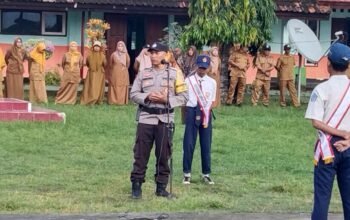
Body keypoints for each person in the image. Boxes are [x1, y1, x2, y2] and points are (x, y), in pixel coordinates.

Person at [129, 42, 188, 199]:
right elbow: (133, 93)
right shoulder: (143, 73)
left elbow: (184, 97)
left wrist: (166, 99)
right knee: (140, 154)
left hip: (165, 119)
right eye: (151, 53)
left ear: (165, 54)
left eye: (157, 53)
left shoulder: (175, 74)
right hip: (146, 118)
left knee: (163, 154)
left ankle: (161, 188)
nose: (153, 56)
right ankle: (136, 186)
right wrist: (147, 96)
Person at [305, 42, 350, 220]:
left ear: (328, 63)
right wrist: (347, 136)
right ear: (348, 66)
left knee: (322, 198)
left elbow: (316, 122)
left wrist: (340, 133)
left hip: (327, 147)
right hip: (348, 144)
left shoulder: (321, 89)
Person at [182, 54, 216, 185]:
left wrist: (206, 111)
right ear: (196, 66)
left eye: (205, 68)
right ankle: (187, 173)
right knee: (189, 143)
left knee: (206, 144)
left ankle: (206, 173)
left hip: (206, 113)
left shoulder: (212, 82)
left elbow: (212, 100)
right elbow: (184, 99)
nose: (202, 70)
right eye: (200, 67)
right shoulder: (188, 81)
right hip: (191, 111)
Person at [80, 41, 107, 105]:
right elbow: (87, 63)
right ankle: (90, 99)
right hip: (91, 73)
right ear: (93, 47)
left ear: (100, 48)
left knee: (98, 86)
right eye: (95, 46)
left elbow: (105, 64)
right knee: (91, 86)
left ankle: (98, 99)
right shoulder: (89, 55)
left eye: (98, 47)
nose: (97, 48)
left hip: (100, 73)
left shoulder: (102, 55)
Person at [107, 41, 130, 105]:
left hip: (123, 73)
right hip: (115, 73)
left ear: (123, 47)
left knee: (122, 85)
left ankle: (121, 101)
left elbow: (128, 64)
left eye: (121, 46)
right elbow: (111, 64)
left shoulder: (126, 55)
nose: (120, 47)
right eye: (119, 46)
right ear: (117, 47)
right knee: (114, 84)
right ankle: (113, 101)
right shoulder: (113, 54)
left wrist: (123, 69)